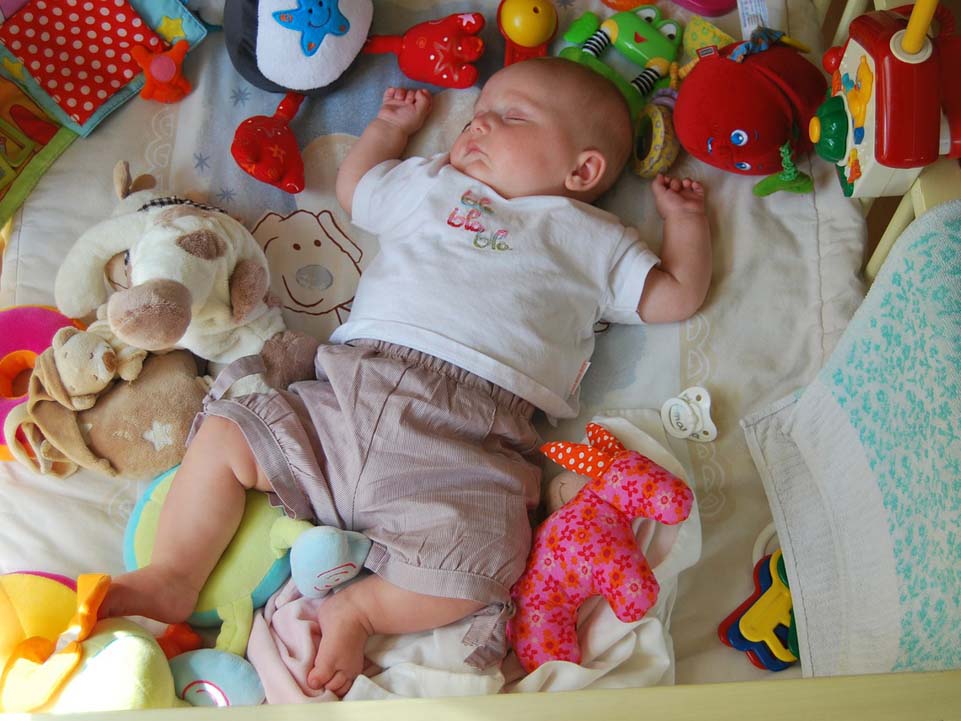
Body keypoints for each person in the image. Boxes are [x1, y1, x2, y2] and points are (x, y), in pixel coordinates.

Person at [100, 57, 712, 698]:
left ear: (582, 171)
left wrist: (686, 223)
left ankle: (361, 610)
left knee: (488, 555)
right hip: (353, 389)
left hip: (468, 439)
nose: (477, 125)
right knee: (230, 431)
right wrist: (389, 131)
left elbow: (674, 295)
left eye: (510, 117)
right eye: (477, 114)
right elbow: (358, 187)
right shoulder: (435, 184)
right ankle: (175, 573)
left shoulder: (596, 241)